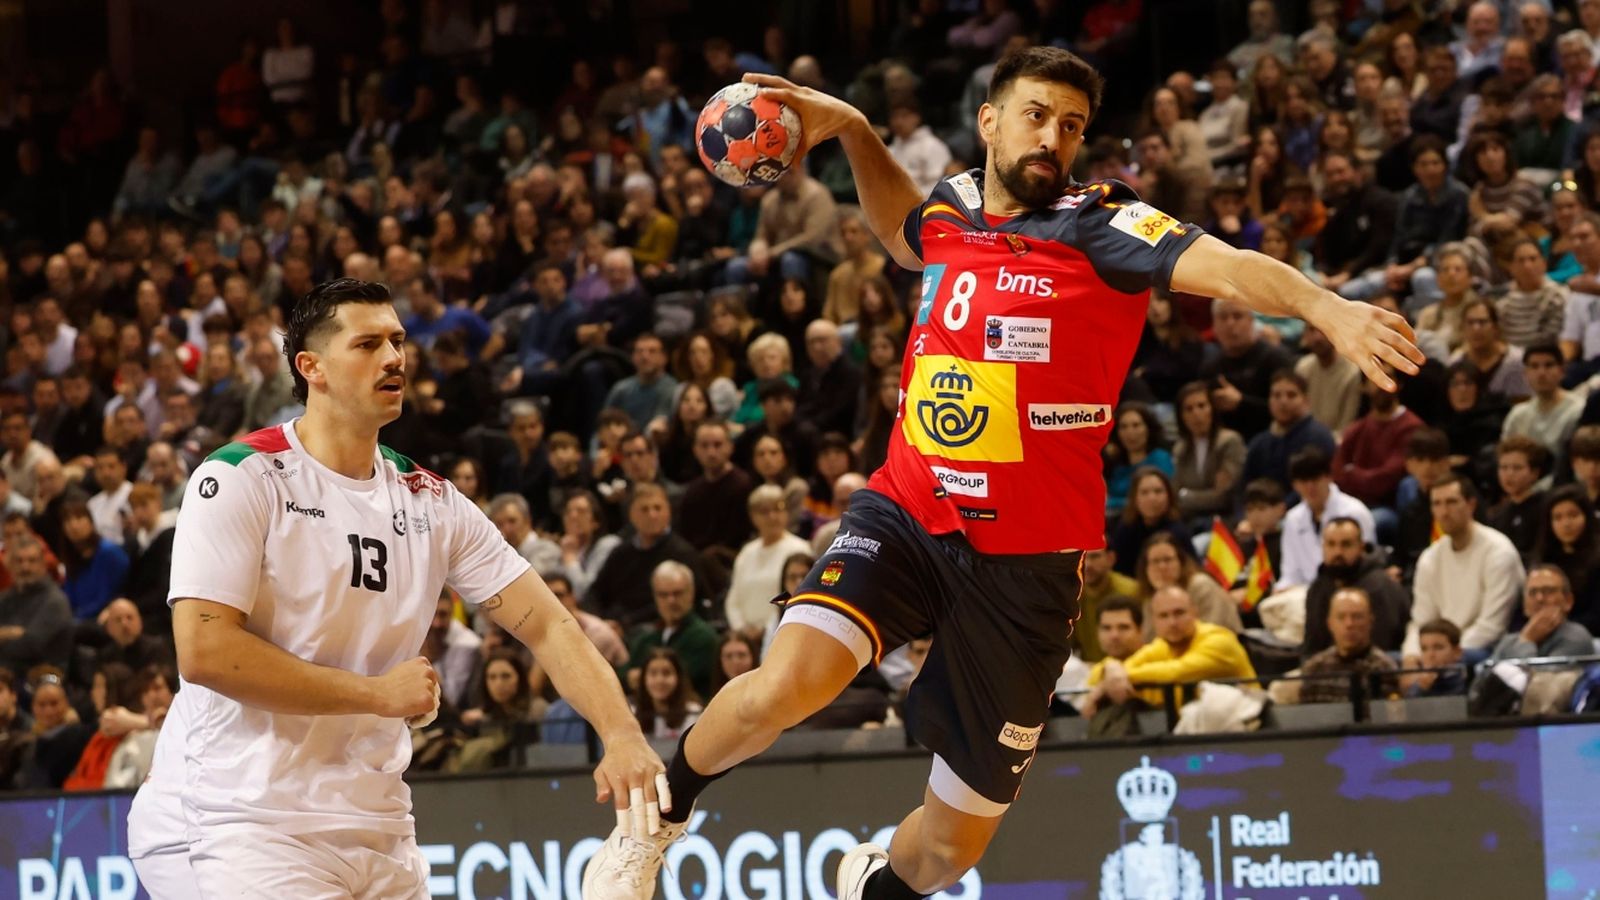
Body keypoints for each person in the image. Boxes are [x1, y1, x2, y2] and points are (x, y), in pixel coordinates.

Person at [584, 50, 1421, 900]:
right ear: (989, 121)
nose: (1052, 137)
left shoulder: (1102, 224)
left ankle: (870, 882)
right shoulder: (949, 206)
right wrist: (856, 129)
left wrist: (1327, 306)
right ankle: (650, 824)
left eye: (1071, 125)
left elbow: (1233, 268)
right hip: (910, 510)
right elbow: (901, 232)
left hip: (1030, 563)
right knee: (785, 687)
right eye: (1035, 114)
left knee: (947, 853)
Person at [126, 279, 666, 898]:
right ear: (312, 368)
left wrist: (622, 735)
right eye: (367, 344)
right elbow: (206, 653)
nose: (394, 357)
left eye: (398, 340)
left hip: (376, 822)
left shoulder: (433, 502)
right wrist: (377, 695)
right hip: (235, 816)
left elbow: (546, 623)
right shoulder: (240, 477)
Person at [1403, 476, 1525, 668]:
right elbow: (1421, 621)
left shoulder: (1498, 552)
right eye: (1437, 504)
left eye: (1451, 502)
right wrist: (1411, 656)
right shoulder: (1430, 557)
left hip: (1483, 652)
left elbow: (1492, 627)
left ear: (1471, 505)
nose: (1444, 512)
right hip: (1439, 652)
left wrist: (1444, 656)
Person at [1087, 585, 1256, 710]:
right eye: (1163, 616)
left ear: (1194, 613)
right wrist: (1110, 668)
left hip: (1249, 728)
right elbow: (1097, 676)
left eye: (1179, 613)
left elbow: (1177, 672)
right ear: (1153, 621)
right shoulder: (1162, 646)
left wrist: (1119, 677)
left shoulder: (1219, 639)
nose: (1172, 622)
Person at [1300, 517, 1410, 656]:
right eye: (1331, 544)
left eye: (1346, 544)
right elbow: (1312, 646)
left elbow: (1380, 648)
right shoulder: (1319, 586)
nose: (1337, 552)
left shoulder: (1380, 586)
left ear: (1361, 548)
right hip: (1328, 669)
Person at [1277, 447, 1378, 589]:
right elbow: (1290, 573)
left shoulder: (1355, 512)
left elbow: (1368, 564)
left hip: (1351, 588)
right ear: (1294, 485)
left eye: (1315, 479)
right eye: (1303, 481)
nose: (1310, 486)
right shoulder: (1292, 519)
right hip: (1303, 592)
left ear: (1328, 477)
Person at [726, 484, 813, 634]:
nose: (772, 516)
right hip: (746, 637)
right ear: (753, 516)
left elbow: (799, 595)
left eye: (778, 509)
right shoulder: (747, 552)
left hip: (783, 630)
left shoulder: (799, 549)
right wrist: (742, 629)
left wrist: (768, 628)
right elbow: (733, 600)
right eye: (765, 511)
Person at [625, 561, 718, 701]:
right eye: (663, 595)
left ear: (691, 593)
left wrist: (641, 676)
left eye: (677, 593)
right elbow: (623, 674)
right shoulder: (646, 639)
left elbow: (680, 678)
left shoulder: (704, 637)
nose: (671, 601)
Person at [1296, 587, 1400, 706]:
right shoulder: (1314, 668)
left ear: (1370, 621)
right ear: (1330, 623)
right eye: (1341, 617)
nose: (1349, 624)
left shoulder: (1383, 668)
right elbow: (1307, 717)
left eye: (1357, 617)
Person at [1134, 531, 1243, 634]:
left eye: (1168, 560)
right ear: (1145, 568)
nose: (1162, 567)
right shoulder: (1150, 598)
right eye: (1155, 561)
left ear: (1181, 563)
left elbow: (1213, 632)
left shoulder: (1201, 585)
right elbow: (1149, 640)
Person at [1486, 565, 1596, 662]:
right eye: (1532, 592)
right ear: (1524, 605)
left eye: (1548, 591)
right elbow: (1483, 682)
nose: (1539, 598)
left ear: (1568, 601)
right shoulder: (1509, 641)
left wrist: (1527, 640)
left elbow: (1540, 682)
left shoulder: (1576, 637)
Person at [1172, 382, 1245, 525]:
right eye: (1189, 409)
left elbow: (1222, 497)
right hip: (1188, 519)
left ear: (1212, 409)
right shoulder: (1180, 448)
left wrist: (1185, 495)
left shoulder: (1229, 441)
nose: (1196, 413)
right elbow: (1174, 492)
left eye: (1201, 406)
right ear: (1182, 416)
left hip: (1223, 519)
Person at [0, 535, 72, 678]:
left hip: (42, 680)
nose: (25, 567)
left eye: (32, 561)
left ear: (43, 564)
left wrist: (3, 634)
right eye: (19, 561)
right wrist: (11, 633)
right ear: (10, 565)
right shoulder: (6, 597)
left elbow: (28, 646)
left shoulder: (54, 601)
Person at [1077, 595, 1147, 715]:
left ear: (1140, 631)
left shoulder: (1159, 658)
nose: (1114, 635)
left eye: (1123, 627)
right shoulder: (1097, 672)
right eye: (1106, 628)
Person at [633, 647, 703, 741]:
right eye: (653, 673)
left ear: (678, 678)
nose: (660, 680)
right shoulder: (633, 714)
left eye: (666, 673)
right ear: (644, 679)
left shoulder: (693, 713)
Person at [1404, 618, 1467, 697]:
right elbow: (1410, 705)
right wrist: (1421, 689)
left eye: (1438, 647)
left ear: (1457, 652)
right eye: (1424, 649)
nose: (1430, 655)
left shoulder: (1466, 680)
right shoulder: (1420, 683)